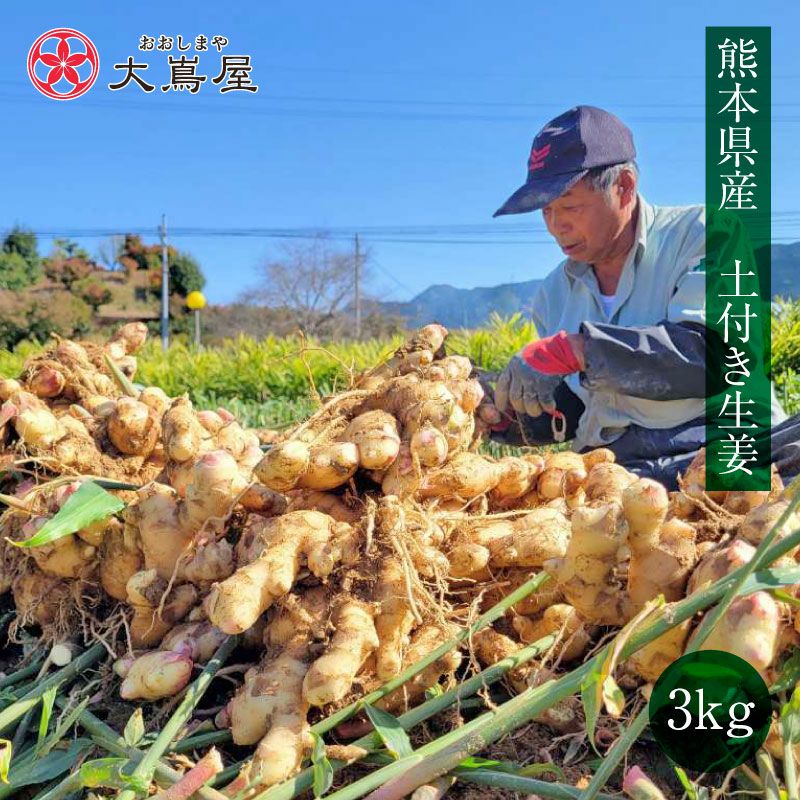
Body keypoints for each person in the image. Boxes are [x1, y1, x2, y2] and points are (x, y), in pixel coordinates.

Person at [488, 104, 800, 489]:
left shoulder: (706, 233)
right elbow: (576, 406)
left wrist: (580, 349)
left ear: (624, 187)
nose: (556, 226)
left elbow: (715, 355)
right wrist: (502, 410)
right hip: (618, 468)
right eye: (546, 211)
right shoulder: (554, 293)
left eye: (569, 206)